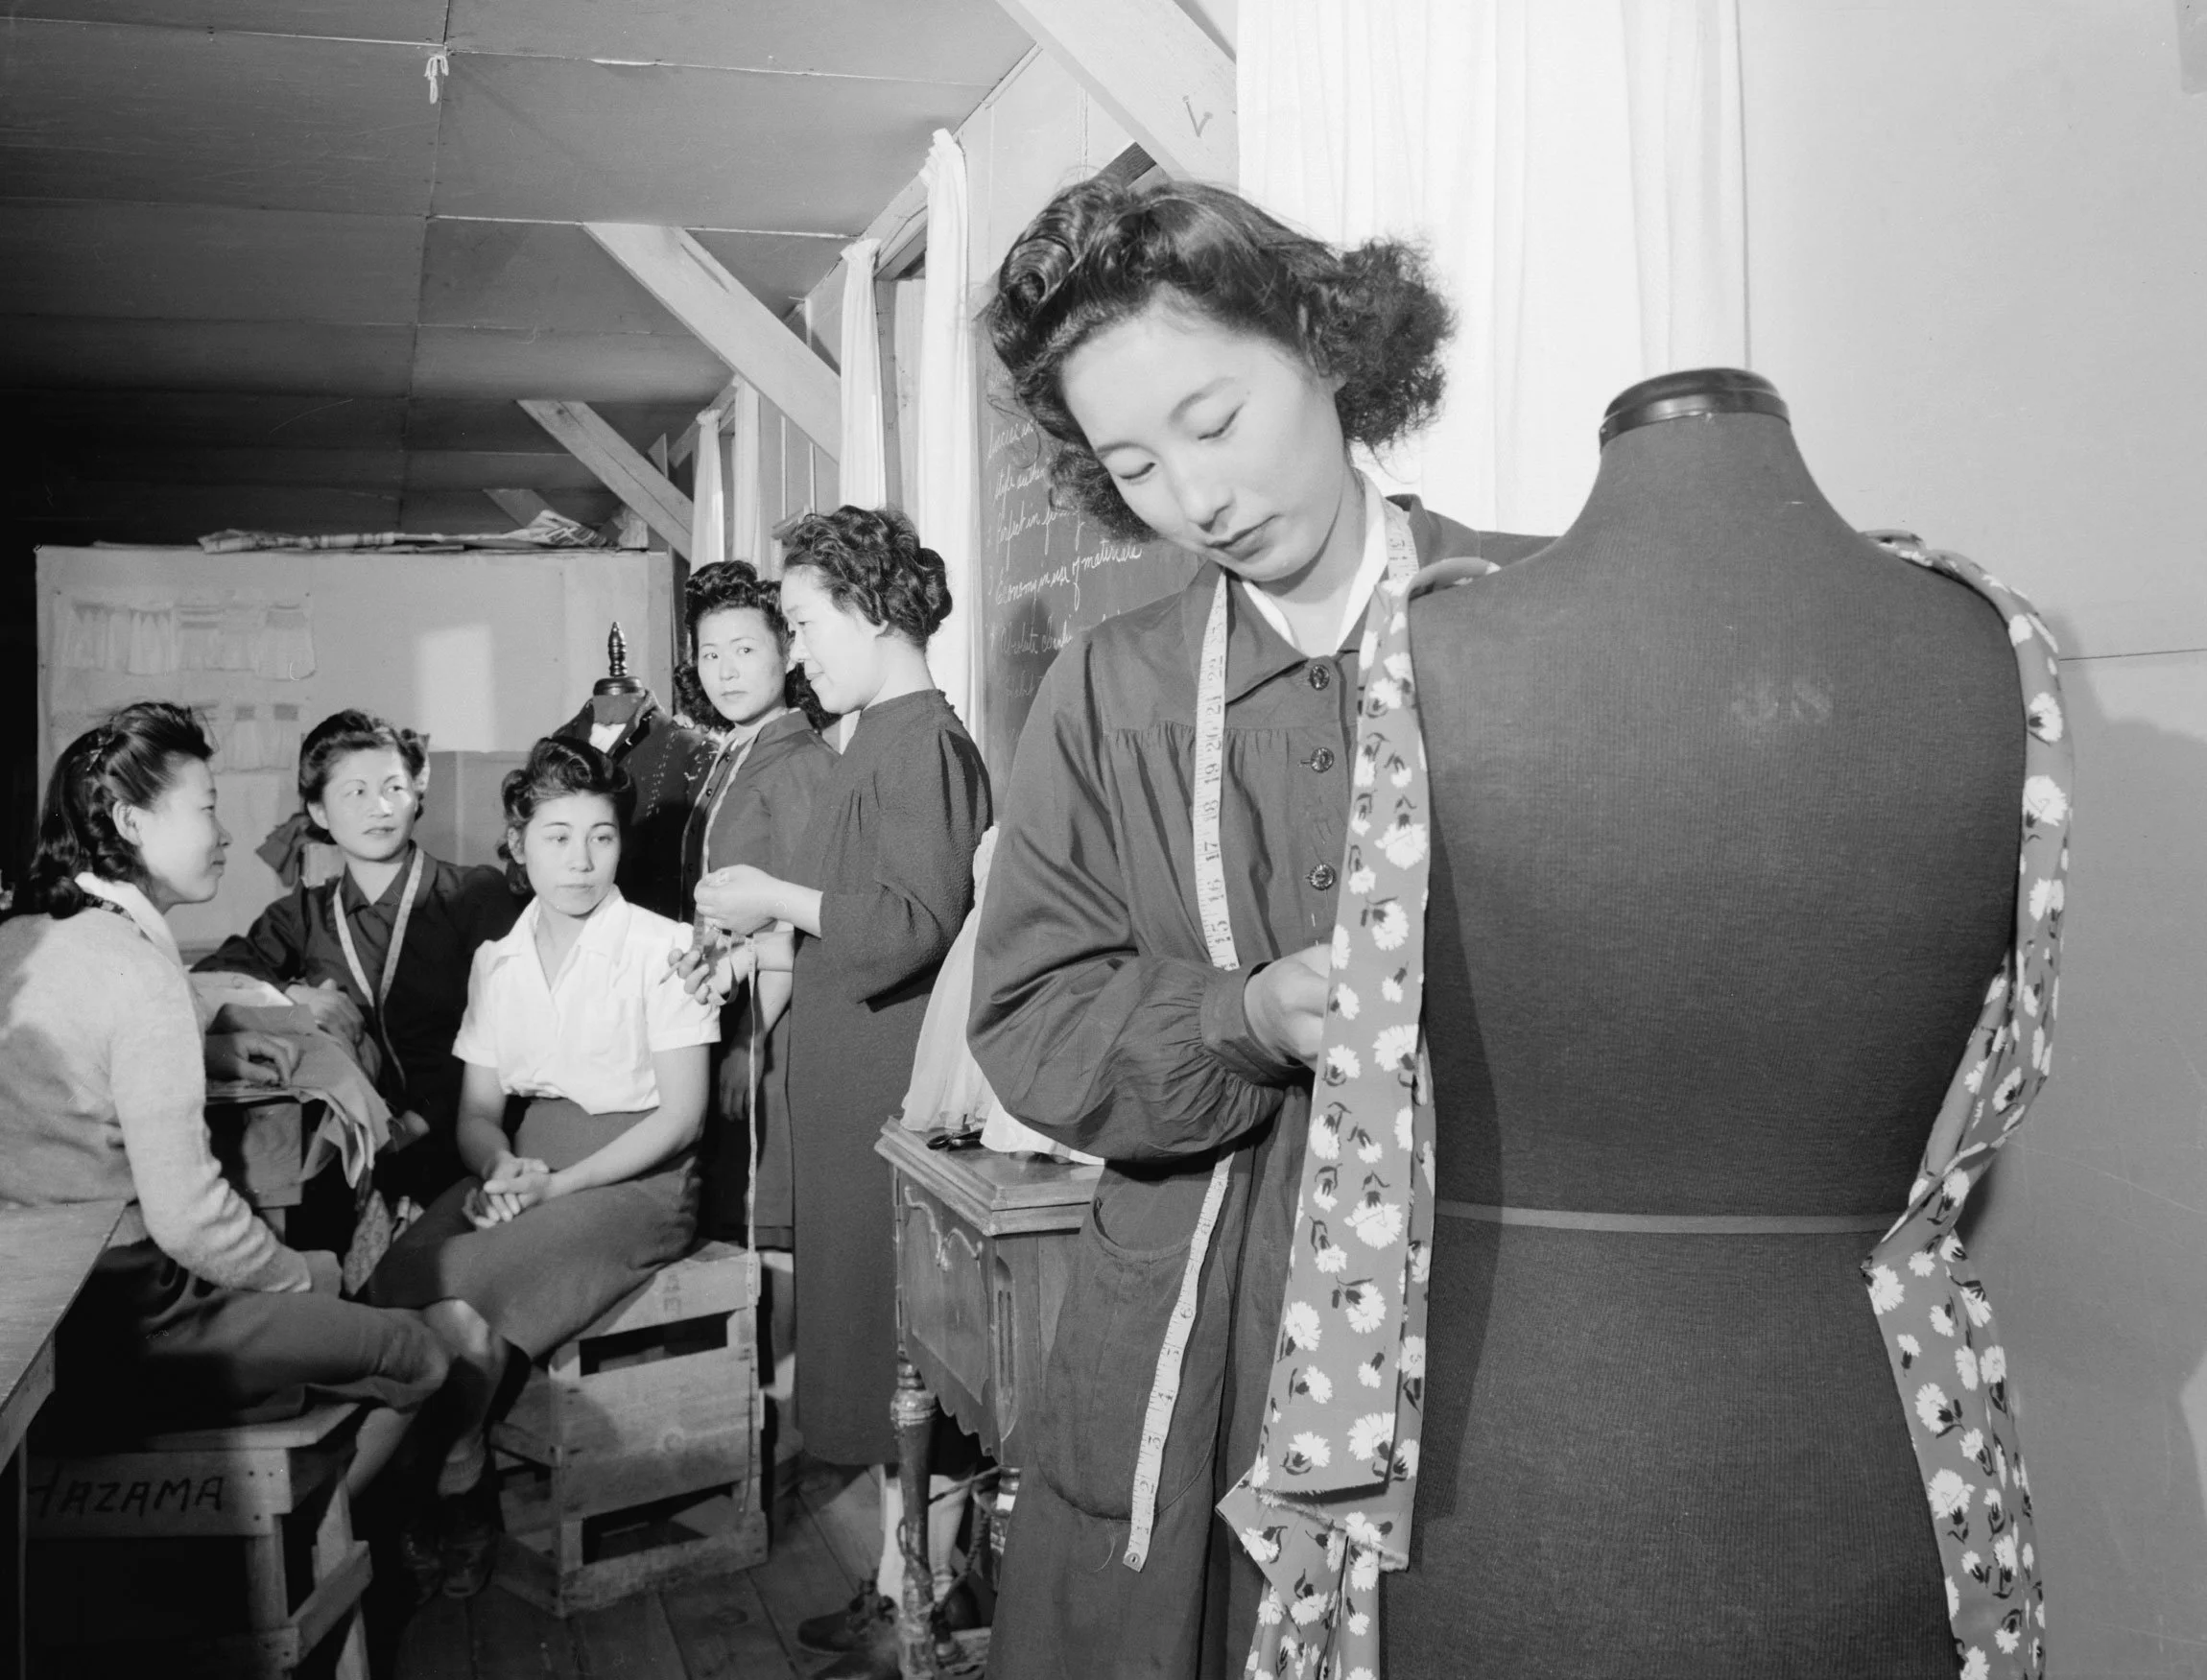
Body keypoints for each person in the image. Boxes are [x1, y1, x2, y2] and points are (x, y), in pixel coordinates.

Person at [966, 177, 1547, 1676]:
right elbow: (1028, 1013)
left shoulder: (1544, 621)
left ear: (1328, 345)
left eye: (1214, 424)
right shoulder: (1109, 690)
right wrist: (1244, 1015)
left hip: (1490, 1310)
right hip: (1198, 1325)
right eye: (1137, 464)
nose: (1197, 500)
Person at [687, 506, 990, 1672]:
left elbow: (908, 923)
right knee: (882, 1357)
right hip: (849, 1089)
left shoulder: (922, 743)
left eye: (806, 625)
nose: (795, 650)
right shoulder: (876, 734)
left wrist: (775, 892)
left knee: (916, 1365)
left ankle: (918, 1592)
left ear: (872, 609)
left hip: (890, 1097)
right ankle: (897, 1581)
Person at [0, 702, 448, 1481]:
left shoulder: (20, 937)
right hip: (134, 1320)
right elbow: (188, 1219)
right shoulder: (140, 970)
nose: (225, 833)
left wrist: (207, 1051)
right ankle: (315, 1549)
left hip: (26, 1319)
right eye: (206, 808)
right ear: (133, 822)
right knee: (420, 1351)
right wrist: (305, 1276)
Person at [367, 736, 718, 1598]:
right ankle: (450, 1464)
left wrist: (554, 1187)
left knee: (465, 1305)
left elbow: (682, 1117)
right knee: (409, 1275)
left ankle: (453, 1482)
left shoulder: (663, 947)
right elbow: (479, 1114)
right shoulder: (499, 958)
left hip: (637, 1175)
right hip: (529, 1156)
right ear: (518, 845)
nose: (582, 860)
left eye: (601, 836)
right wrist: (499, 1171)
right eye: (557, 836)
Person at [196, 709, 521, 1206]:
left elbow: (512, 1033)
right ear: (320, 812)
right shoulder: (303, 913)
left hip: (468, 1141)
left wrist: (414, 1124)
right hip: (350, 1156)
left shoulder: (474, 894)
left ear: (417, 797)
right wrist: (290, 995)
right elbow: (210, 979)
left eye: (394, 788)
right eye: (356, 793)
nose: (381, 808)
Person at [677, 560, 838, 1248]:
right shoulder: (737, 750)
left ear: (786, 650)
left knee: (768, 1232)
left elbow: (805, 918)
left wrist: (752, 1045)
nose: (726, 672)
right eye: (710, 655)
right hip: (729, 1003)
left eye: (745, 650)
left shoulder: (800, 761)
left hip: (778, 1026)